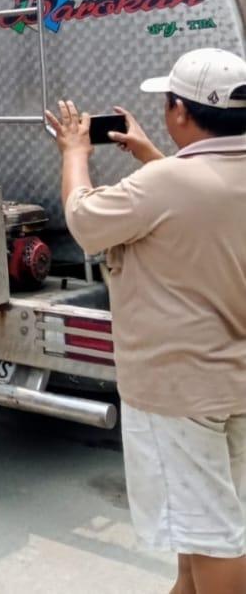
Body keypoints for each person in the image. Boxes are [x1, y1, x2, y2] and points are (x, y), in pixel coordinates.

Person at [46, 47, 246, 594]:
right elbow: (201, 203)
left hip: (179, 390)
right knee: (201, 529)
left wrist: (74, 152)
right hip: (233, 382)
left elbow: (84, 219)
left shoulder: (165, 186)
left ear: (181, 111)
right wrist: (154, 154)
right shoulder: (191, 179)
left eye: (167, 104)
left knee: (213, 538)